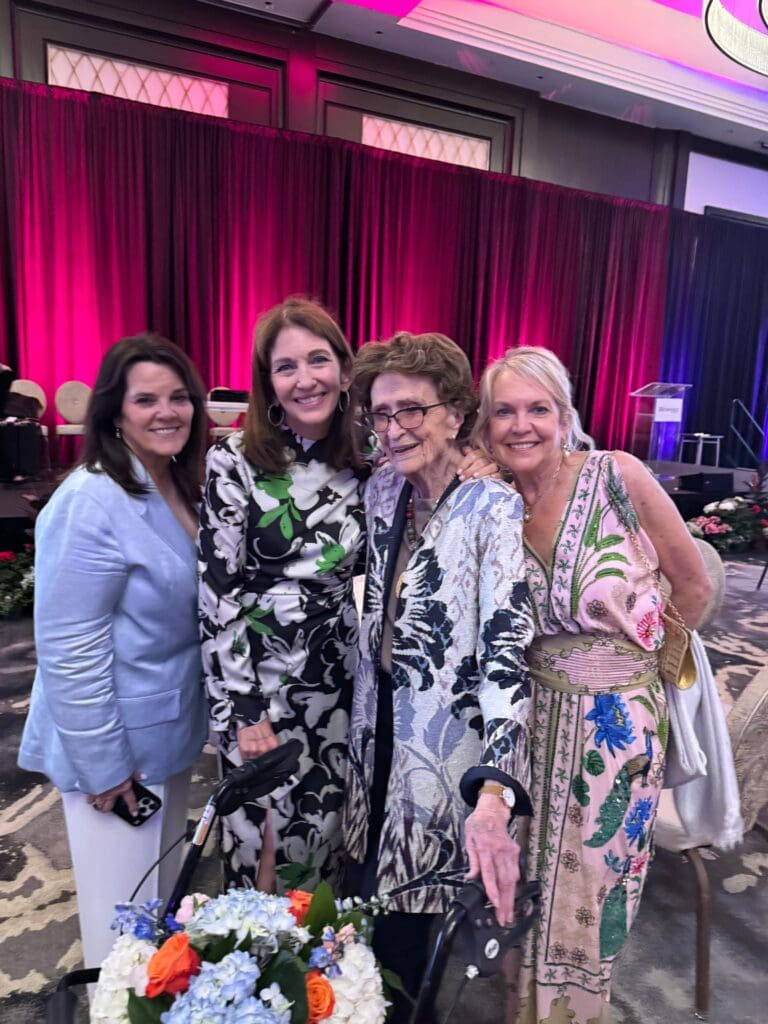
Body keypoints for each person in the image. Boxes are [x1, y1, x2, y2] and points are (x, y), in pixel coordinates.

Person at [472, 346, 713, 1024]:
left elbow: (692, 586)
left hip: (617, 733)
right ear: (486, 426)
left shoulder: (617, 476)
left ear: (565, 415)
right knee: (524, 883)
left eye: (537, 409)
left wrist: (642, 679)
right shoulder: (492, 503)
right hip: (528, 717)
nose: (522, 425)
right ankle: (522, 1010)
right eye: (504, 411)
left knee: (594, 892)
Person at [343, 331, 534, 1021]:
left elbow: (507, 652)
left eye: (411, 411)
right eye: (380, 413)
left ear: (455, 413)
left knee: (409, 942)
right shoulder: (382, 490)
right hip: (373, 741)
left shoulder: (493, 509)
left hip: (442, 755)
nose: (392, 429)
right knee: (361, 916)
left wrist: (495, 793)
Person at [18, 333, 208, 970]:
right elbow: (70, 648)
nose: (167, 411)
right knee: (123, 939)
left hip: (164, 733)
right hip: (114, 751)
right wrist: (102, 764)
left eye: (179, 397)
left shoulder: (172, 481)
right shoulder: (90, 501)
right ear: (113, 412)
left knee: (157, 917)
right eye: (146, 399)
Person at [198, 297, 367, 894]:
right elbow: (217, 594)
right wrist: (244, 711)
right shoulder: (234, 462)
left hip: (337, 686)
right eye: (285, 366)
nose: (304, 379)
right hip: (258, 686)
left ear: (345, 372)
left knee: (322, 840)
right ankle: (259, 978)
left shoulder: (367, 465)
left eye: (317, 360)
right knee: (261, 841)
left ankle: (316, 983)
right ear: (267, 381)